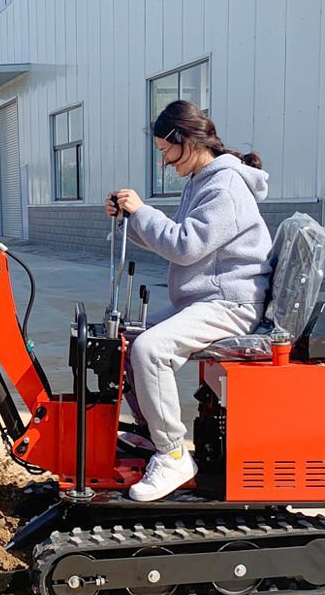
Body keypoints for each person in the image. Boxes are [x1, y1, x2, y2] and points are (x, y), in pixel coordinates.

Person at [105, 99, 272, 502]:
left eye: (165, 150)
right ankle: (151, 430)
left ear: (187, 141)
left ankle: (174, 454)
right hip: (205, 299)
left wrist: (142, 210)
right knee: (128, 340)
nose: (163, 161)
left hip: (231, 303)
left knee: (150, 350)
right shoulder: (203, 179)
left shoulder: (226, 184)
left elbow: (185, 245)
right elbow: (178, 237)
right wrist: (130, 219)